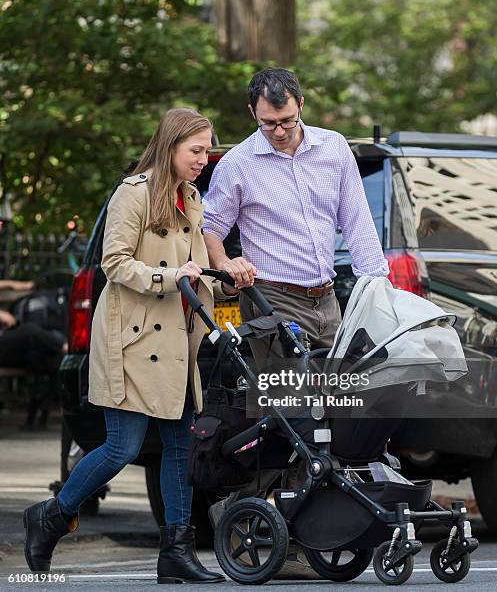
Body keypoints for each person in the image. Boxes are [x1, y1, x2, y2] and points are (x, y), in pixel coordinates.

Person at [23, 108, 233, 583]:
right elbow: (114, 264)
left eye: (206, 150)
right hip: (134, 341)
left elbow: (195, 272)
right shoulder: (133, 194)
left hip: (178, 341)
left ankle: (175, 553)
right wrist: (168, 277)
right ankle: (51, 517)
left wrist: (228, 284)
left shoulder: (191, 199)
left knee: (180, 447)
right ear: (170, 146)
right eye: (195, 150)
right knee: (122, 447)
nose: (204, 159)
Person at [203, 67, 389, 362]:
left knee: (337, 399)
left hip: (327, 300)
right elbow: (210, 227)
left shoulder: (334, 147)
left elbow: (358, 221)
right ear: (252, 112)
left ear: (301, 104)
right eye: (268, 123)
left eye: (287, 121)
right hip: (271, 299)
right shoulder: (236, 164)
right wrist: (225, 263)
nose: (278, 132)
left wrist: (375, 285)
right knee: (286, 401)